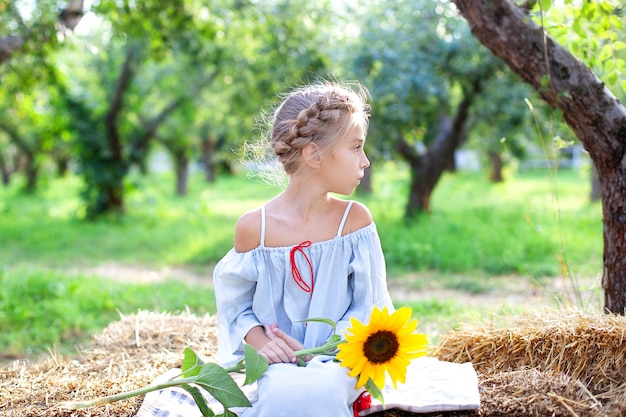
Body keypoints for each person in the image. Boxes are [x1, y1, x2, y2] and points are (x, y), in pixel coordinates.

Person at [213, 79, 394, 417]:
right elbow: (235, 306)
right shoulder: (255, 228)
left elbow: (370, 307)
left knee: (318, 390)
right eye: (356, 147)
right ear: (314, 154)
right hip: (277, 360)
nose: (365, 160)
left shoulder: (354, 222)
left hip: (338, 357)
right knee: (281, 392)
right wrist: (263, 343)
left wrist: (317, 351)